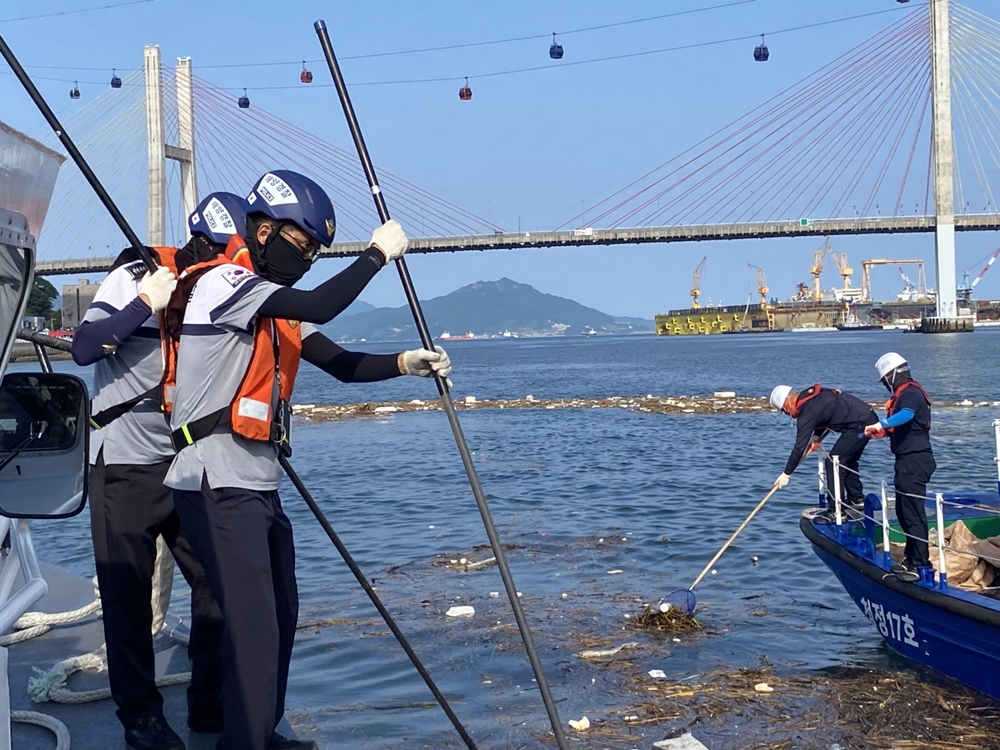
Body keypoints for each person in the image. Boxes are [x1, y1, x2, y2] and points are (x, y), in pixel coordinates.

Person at [162, 170, 452, 750]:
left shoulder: (274, 309)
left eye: (317, 253)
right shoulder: (224, 286)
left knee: (282, 617)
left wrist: (405, 364)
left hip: (258, 485)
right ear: (263, 230)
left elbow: (341, 363)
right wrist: (376, 255)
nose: (310, 260)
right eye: (302, 246)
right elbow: (324, 300)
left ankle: (259, 732)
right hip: (217, 483)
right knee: (253, 632)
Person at [70, 192, 247, 750]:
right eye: (220, 254)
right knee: (126, 593)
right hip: (124, 461)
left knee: (218, 581)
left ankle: (210, 704)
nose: (225, 265)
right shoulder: (134, 277)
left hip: (185, 461)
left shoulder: (221, 291)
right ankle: (140, 717)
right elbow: (83, 348)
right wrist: (146, 302)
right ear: (201, 245)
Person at [864, 352, 935, 582]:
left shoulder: (911, 393)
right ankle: (911, 559)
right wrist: (881, 431)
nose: (886, 384)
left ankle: (921, 564)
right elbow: (904, 424)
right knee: (904, 512)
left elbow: (906, 415)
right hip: (905, 460)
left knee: (913, 512)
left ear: (893, 375)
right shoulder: (905, 394)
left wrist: (883, 422)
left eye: (885, 379)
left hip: (915, 460)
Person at [770, 383, 880, 521]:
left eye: (785, 411)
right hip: (867, 417)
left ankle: (836, 511)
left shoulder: (807, 413)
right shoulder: (811, 398)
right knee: (847, 460)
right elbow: (826, 413)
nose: (789, 414)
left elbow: (799, 447)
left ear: (786, 404)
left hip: (860, 425)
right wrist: (817, 436)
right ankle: (856, 499)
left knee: (833, 463)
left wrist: (786, 473)